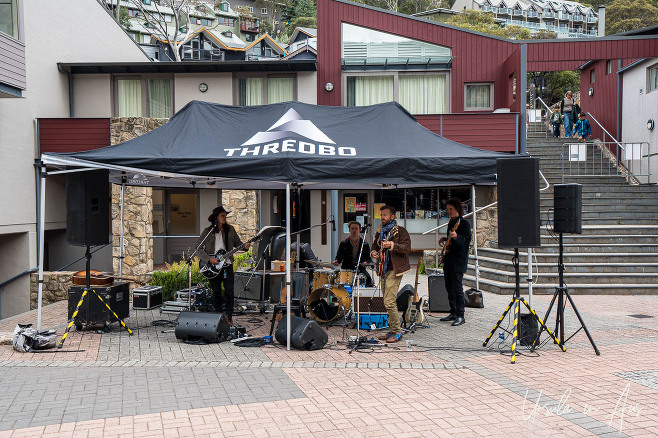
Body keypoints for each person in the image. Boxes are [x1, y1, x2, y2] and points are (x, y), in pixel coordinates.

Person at [196, 206, 250, 325]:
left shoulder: (230, 230)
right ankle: (218, 316)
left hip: (227, 265)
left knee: (229, 291)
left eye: (225, 215)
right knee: (216, 292)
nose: (225, 218)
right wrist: (209, 259)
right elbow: (198, 249)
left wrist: (245, 247)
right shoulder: (207, 231)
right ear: (216, 218)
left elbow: (238, 244)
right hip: (213, 266)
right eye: (222, 216)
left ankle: (229, 316)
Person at [370, 206, 411, 343]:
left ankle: (398, 331)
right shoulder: (380, 230)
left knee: (389, 301)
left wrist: (392, 245)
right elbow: (374, 246)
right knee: (387, 302)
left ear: (392, 217)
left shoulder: (401, 231)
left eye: (385, 215)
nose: (382, 217)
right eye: (381, 215)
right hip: (383, 268)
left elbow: (407, 247)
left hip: (395, 269)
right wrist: (373, 252)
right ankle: (393, 330)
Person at [438, 198, 471, 327]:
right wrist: (446, 239)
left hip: (459, 260)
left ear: (457, 209)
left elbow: (466, 240)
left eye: (451, 209)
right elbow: (452, 239)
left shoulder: (464, 223)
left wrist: (457, 237)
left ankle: (461, 315)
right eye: (448, 209)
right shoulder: (451, 222)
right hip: (449, 258)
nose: (449, 212)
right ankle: (453, 312)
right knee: (449, 287)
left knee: (457, 288)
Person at [333, 221, 374, 287]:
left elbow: (369, 259)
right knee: (337, 283)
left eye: (356, 229)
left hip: (360, 270)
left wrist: (366, 262)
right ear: (349, 230)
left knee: (369, 280)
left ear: (359, 230)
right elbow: (339, 257)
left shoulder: (364, 244)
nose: (354, 231)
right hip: (346, 270)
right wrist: (336, 261)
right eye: (352, 229)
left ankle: (365, 297)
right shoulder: (344, 243)